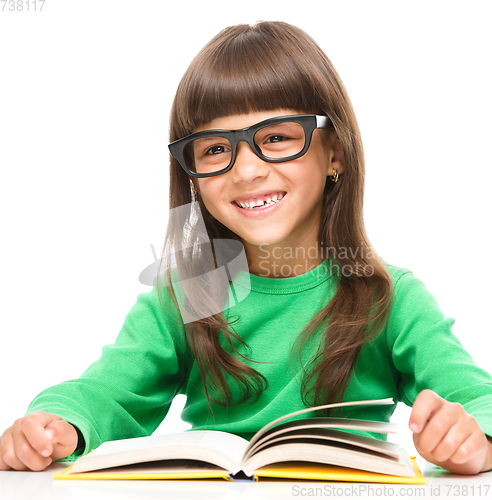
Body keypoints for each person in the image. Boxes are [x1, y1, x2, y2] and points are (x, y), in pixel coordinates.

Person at [1, 21, 492, 476]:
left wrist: (471, 436)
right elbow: (108, 390)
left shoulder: (389, 296)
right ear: (191, 174)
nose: (247, 171)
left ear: (335, 155)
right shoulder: (190, 294)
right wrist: (53, 424)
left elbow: (477, 397)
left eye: (277, 137)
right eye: (216, 148)